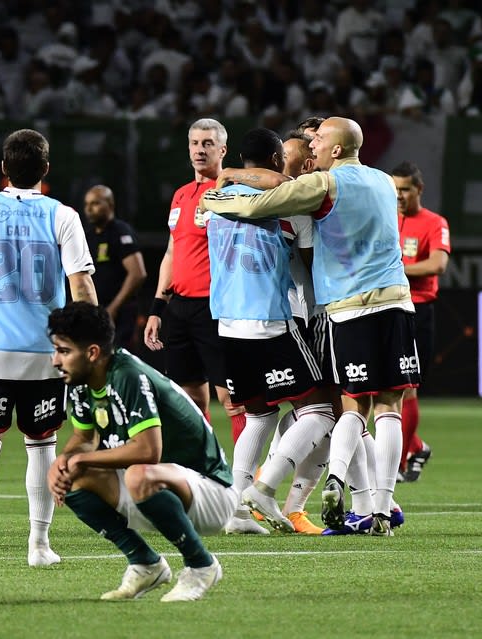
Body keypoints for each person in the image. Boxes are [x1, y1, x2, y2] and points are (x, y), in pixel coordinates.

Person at [201, 116, 420, 536]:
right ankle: (370, 501)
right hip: (340, 308)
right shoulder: (380, 182)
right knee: (348, 408)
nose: (310, 146)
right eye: (299, 148)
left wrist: (214, 193)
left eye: (316, 140)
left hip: (241, 319)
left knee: (284, 415)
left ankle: (247, 505)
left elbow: (255, 203)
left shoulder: (311, 189)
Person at [0, 128, 98, 569]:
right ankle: (39, 545)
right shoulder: (62, 215)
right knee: (41, 443)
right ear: (46, 170)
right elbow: (81, 285)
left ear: (4, 169)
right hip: (45, 353)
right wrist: (92, 341)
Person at [47, 302, 235, 602]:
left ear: (92, 352)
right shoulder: (82, 381)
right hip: (164, 486)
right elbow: (83, 436)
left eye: (64, 351)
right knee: (73, 474)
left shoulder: (128, 375)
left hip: (211, 491)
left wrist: (80, 458)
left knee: (138, 474)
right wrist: (64, 461)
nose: (56, 360)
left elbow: (148, 450)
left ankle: (202, 565)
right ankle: (145, 563)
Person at [201, 128, 333, 535]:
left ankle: (237, 514)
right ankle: (263, 489)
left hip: (227, 323)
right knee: (320, 411)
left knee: (258, 416)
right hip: (272, 321)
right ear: (277, 158)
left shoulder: (214, 201)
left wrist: (229, 176)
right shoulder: (289, 205)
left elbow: (221, 196)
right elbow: (313, 268)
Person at [142, 118, 246, 444]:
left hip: (216, 308)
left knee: (232, 399)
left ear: (223, 150)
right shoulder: (181, 195)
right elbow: (172, 253)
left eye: (207, 144)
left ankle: (246, 478)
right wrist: (158, 308)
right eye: (195, 144)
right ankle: (207, 468)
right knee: (190, 400)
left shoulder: (230, 193)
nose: (200, 150)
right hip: (181, 309)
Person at [393, 160, 450, 482]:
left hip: (417, 312)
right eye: (395, 189)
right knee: (379, 392)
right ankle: (417, 447)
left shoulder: (434, 222)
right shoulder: (385, 218)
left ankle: (398, 463)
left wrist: (393, 270)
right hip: (386, 309)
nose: (399, 196)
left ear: (419, 190)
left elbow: (438, 264)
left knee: (407, 390)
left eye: (405, 189)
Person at [83, 185, 147, 350]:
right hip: (96, 316)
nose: (89, 209)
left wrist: (114, 307)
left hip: (120, 316)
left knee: (119, 359)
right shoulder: (87, 236)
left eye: (95, 203)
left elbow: (138, 273)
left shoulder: (120, 232)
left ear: (110, 204)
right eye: (87, 204)